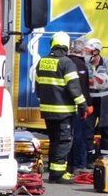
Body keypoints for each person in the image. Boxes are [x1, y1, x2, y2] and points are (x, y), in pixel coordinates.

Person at [34, 32, 87, 183]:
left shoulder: (42, 62)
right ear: (66, 46)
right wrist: (82, 105)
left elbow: (38, 87)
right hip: (63, 111)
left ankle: (53, 170)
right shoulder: (67, 63)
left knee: (54, 140)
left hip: (47, 110)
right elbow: (74, 89)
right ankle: (58, 174)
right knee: (63, 141)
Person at [85, 38, 108, 163]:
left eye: (89, 51)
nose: (87, 53)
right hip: (89, 100)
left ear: (97, 51)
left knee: (106, 129)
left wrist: (107, 80)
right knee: (87, 129)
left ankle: (105, 158)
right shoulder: (85, 63)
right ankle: (89, 158)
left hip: (105, 99)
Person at [67, 38, 93, 174]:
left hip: (64, 107)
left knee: (66, 136)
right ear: (82, 51)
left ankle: (68, 164)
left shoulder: (65, 62)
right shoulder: (81, 65)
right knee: (79, 136)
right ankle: (79, 165)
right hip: (78, 106)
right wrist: (87, 105)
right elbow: (83, 88)